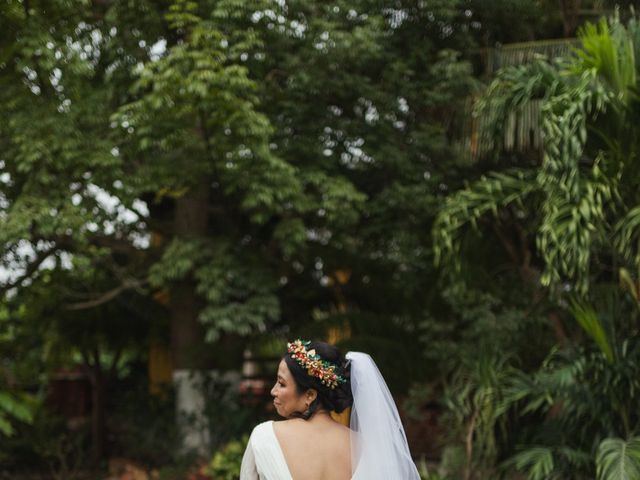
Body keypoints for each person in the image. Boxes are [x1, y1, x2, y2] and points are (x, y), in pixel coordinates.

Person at [240, 339, 421, 480]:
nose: (273, 391)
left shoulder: (264, 436)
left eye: (281, 383)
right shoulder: (367, 448)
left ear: (310, 395)